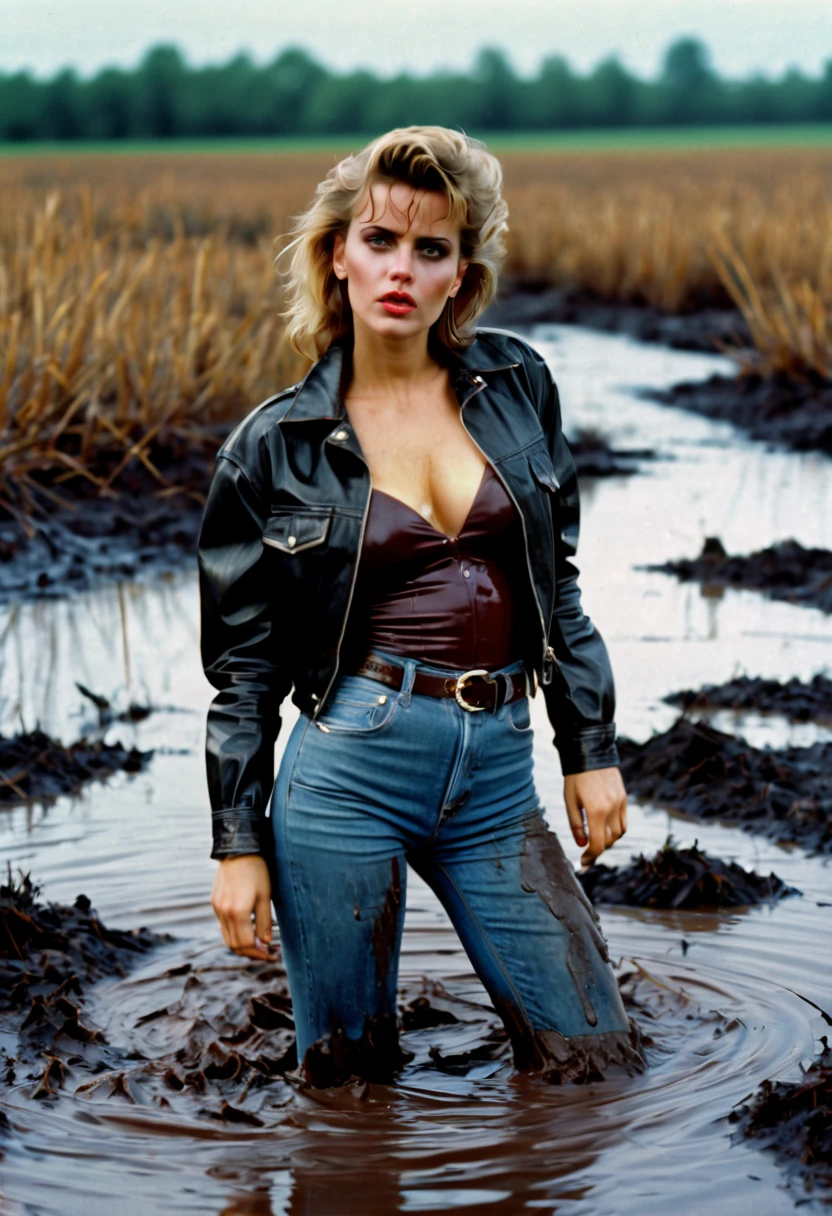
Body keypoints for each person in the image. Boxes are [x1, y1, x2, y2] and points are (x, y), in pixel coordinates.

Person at [197, 126, 644, 1086]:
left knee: (599, 1064)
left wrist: (590, 747)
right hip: (348, 774)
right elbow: (244, 671)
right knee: (350, 1090)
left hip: (495, 775)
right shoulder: (274, 446)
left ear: (461, 275)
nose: (402, 268)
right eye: (380, 241)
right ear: (337, 257)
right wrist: (238, 844)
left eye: (430, 248)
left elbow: (554, 582)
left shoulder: (517, 384)